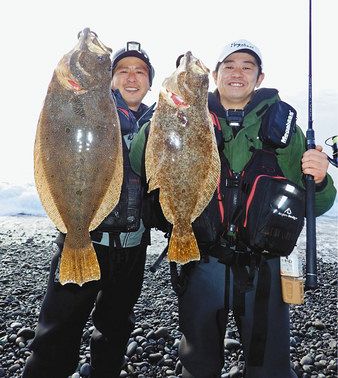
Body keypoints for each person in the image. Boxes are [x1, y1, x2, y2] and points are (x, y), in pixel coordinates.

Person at [129, 39, 336, 378]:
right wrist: (160, 119)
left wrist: (319, 179)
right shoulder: (184, 111)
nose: (237, 73)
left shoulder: (284, 126)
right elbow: (141, 163)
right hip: (202, 259)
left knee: (269, 367)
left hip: (264, 268)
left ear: (259, 76)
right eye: (229, 65)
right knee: (198, 364)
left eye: (247, 66)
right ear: (214, 74)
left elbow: (319, 205)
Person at [23, 41, 156, 378]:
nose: (130, 77)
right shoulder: (90, 105)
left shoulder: (158, 123)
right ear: (109, 79)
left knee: (114, 332)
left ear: (150, 83)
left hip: (133, 248)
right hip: (86, 239)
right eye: (122, 70)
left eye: (139, 71)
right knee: (56, 333)